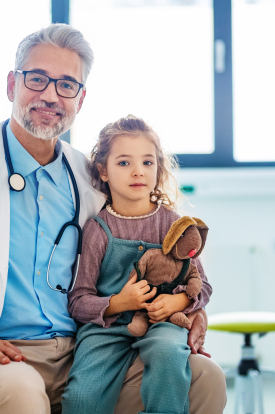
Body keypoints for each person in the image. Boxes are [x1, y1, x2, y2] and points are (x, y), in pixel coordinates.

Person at [0, 24, 226, 414]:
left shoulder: (90, 178)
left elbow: (144, 260)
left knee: (204, 377)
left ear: (80, 99)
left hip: (84, 351)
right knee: (20, 393)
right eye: (37, 79)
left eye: (66, 85)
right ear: (11, 85)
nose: (51, 95)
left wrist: (188, 307)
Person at [62, 115, 214, 414]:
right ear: (103, 171)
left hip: (163, 323)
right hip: (105, 330)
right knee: (80, 399)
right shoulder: (96, 230)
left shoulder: (174, 224)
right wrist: (119, 302)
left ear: (158, 170)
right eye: (123, 163)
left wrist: (178, 301)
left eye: (147, 162)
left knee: (169, 353)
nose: (137, 172)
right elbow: (78, 301)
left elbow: (203, 286)